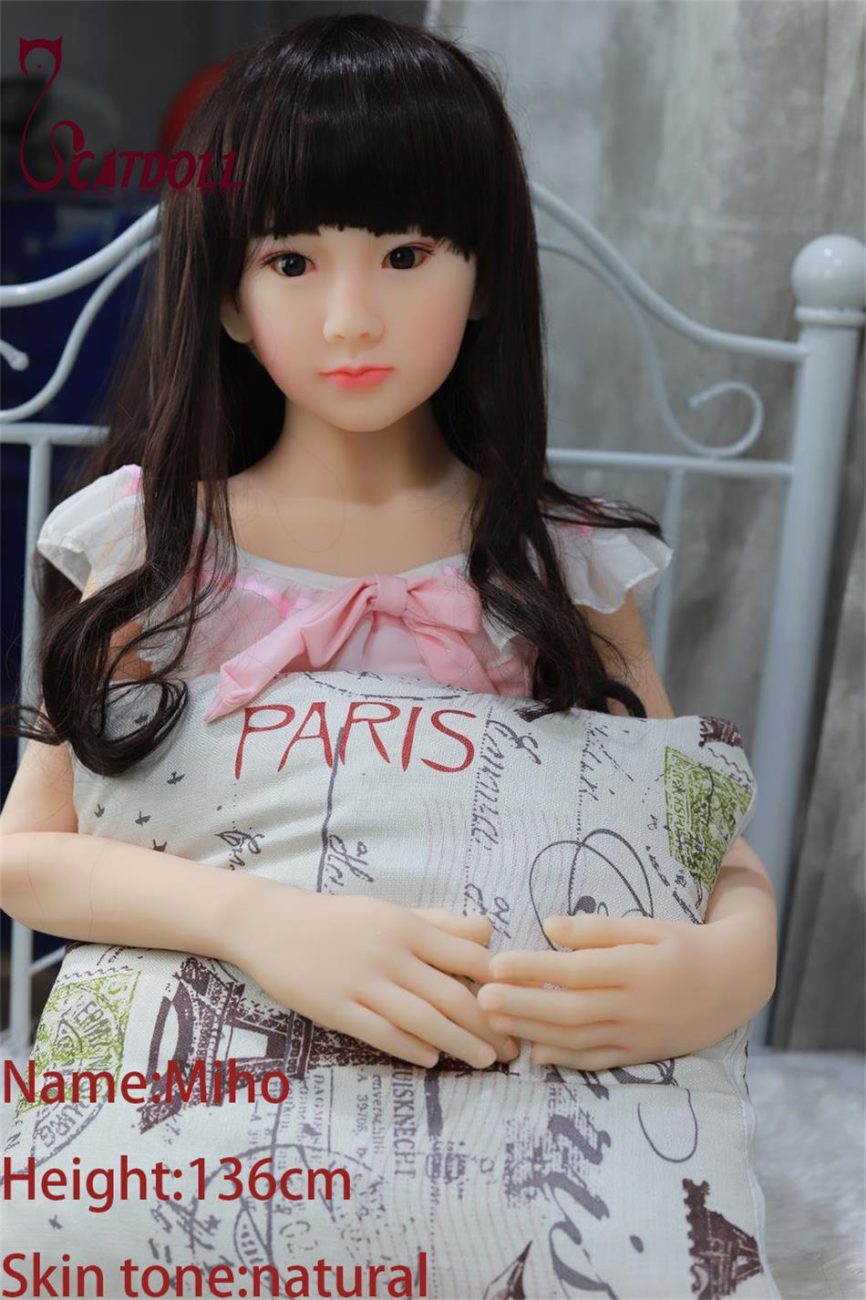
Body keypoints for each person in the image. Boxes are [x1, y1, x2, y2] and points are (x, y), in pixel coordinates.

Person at [0, 13, 779, 1294]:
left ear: (484, 275)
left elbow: (698, 846)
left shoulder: (562, 566)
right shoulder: (148, 544)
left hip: (506, 1140)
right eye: (291, 260)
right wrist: (258, 922)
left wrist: (724, 965)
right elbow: (28, 854)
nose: (351, 317)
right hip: (206, 1135)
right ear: (229, 297)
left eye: (407, 254)